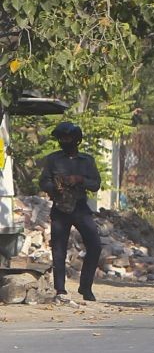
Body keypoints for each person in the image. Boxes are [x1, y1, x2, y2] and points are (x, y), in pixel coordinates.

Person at [39, 122, 102, 302]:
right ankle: (60, 289)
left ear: (76, 140)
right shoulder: (53, 159)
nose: (65, 141)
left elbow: (96, 184)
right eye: (62, 138)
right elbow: (43, 182)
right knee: (58, 250)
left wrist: (79, 179)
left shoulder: (87, 160)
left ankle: (86, 287)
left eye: (68, 138)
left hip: (80, 207)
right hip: (60, 208)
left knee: (95, 246)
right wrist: (56, 187)